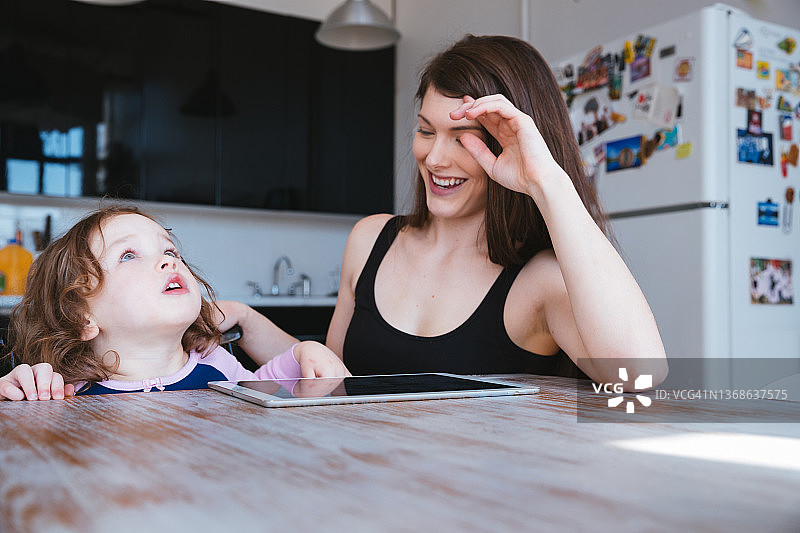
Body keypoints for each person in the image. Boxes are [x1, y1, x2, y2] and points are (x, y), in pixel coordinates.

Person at [219, 35, 667, 386]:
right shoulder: (370, 239)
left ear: (511, 144)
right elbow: (334, 379)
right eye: (426, 130)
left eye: (463, 137)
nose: (434, 159)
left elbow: (640, 378)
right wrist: (247, 319)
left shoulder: (539, 280)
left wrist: (546, 181)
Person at [0, 205, 349, 401]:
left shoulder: (221, 370)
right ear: (82, 317)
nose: (169, 261)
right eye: (128, 255)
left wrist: (303, 356)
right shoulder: (65, 390)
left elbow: (267, 392)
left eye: (170, 250)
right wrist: (21, 389)